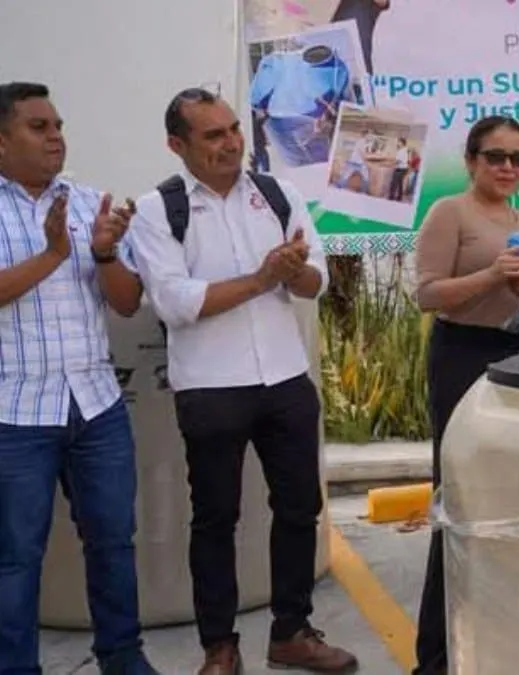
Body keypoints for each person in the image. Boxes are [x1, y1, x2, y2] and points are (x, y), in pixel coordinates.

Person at [126, 88, 356, 675]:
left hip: (285, 377)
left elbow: (318, 281)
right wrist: (261, 278)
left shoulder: (277, 194)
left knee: (300, 507)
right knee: (215, 518)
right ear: (177, 144)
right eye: (213, 135)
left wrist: (294, 273)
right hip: (210, 387)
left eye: (233, 129)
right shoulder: (158, 210)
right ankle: (220, 648)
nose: (232, 143)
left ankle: (292, 632)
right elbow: (175, 302)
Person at [0, 81, 159, 675]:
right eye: (38, 127)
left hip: (96, 406)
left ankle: (122, 657)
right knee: (16, 558)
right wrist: (51, 255)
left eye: (59, 126)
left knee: (113, 543)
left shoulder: (90, 202)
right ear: (1, 141)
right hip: (15, 414)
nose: (56, 138)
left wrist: (106, 254)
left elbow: (125, 303)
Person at [410, 115, 519, 675]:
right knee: (459, 498)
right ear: (471, 161)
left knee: (512, 497)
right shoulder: (450, 212)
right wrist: (491, 275)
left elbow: (517, 299)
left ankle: (500, 640)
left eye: (518, 158)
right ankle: (435, 656)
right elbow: (427, 295)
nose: (508, 168)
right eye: (496, 157)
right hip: (464, 355)